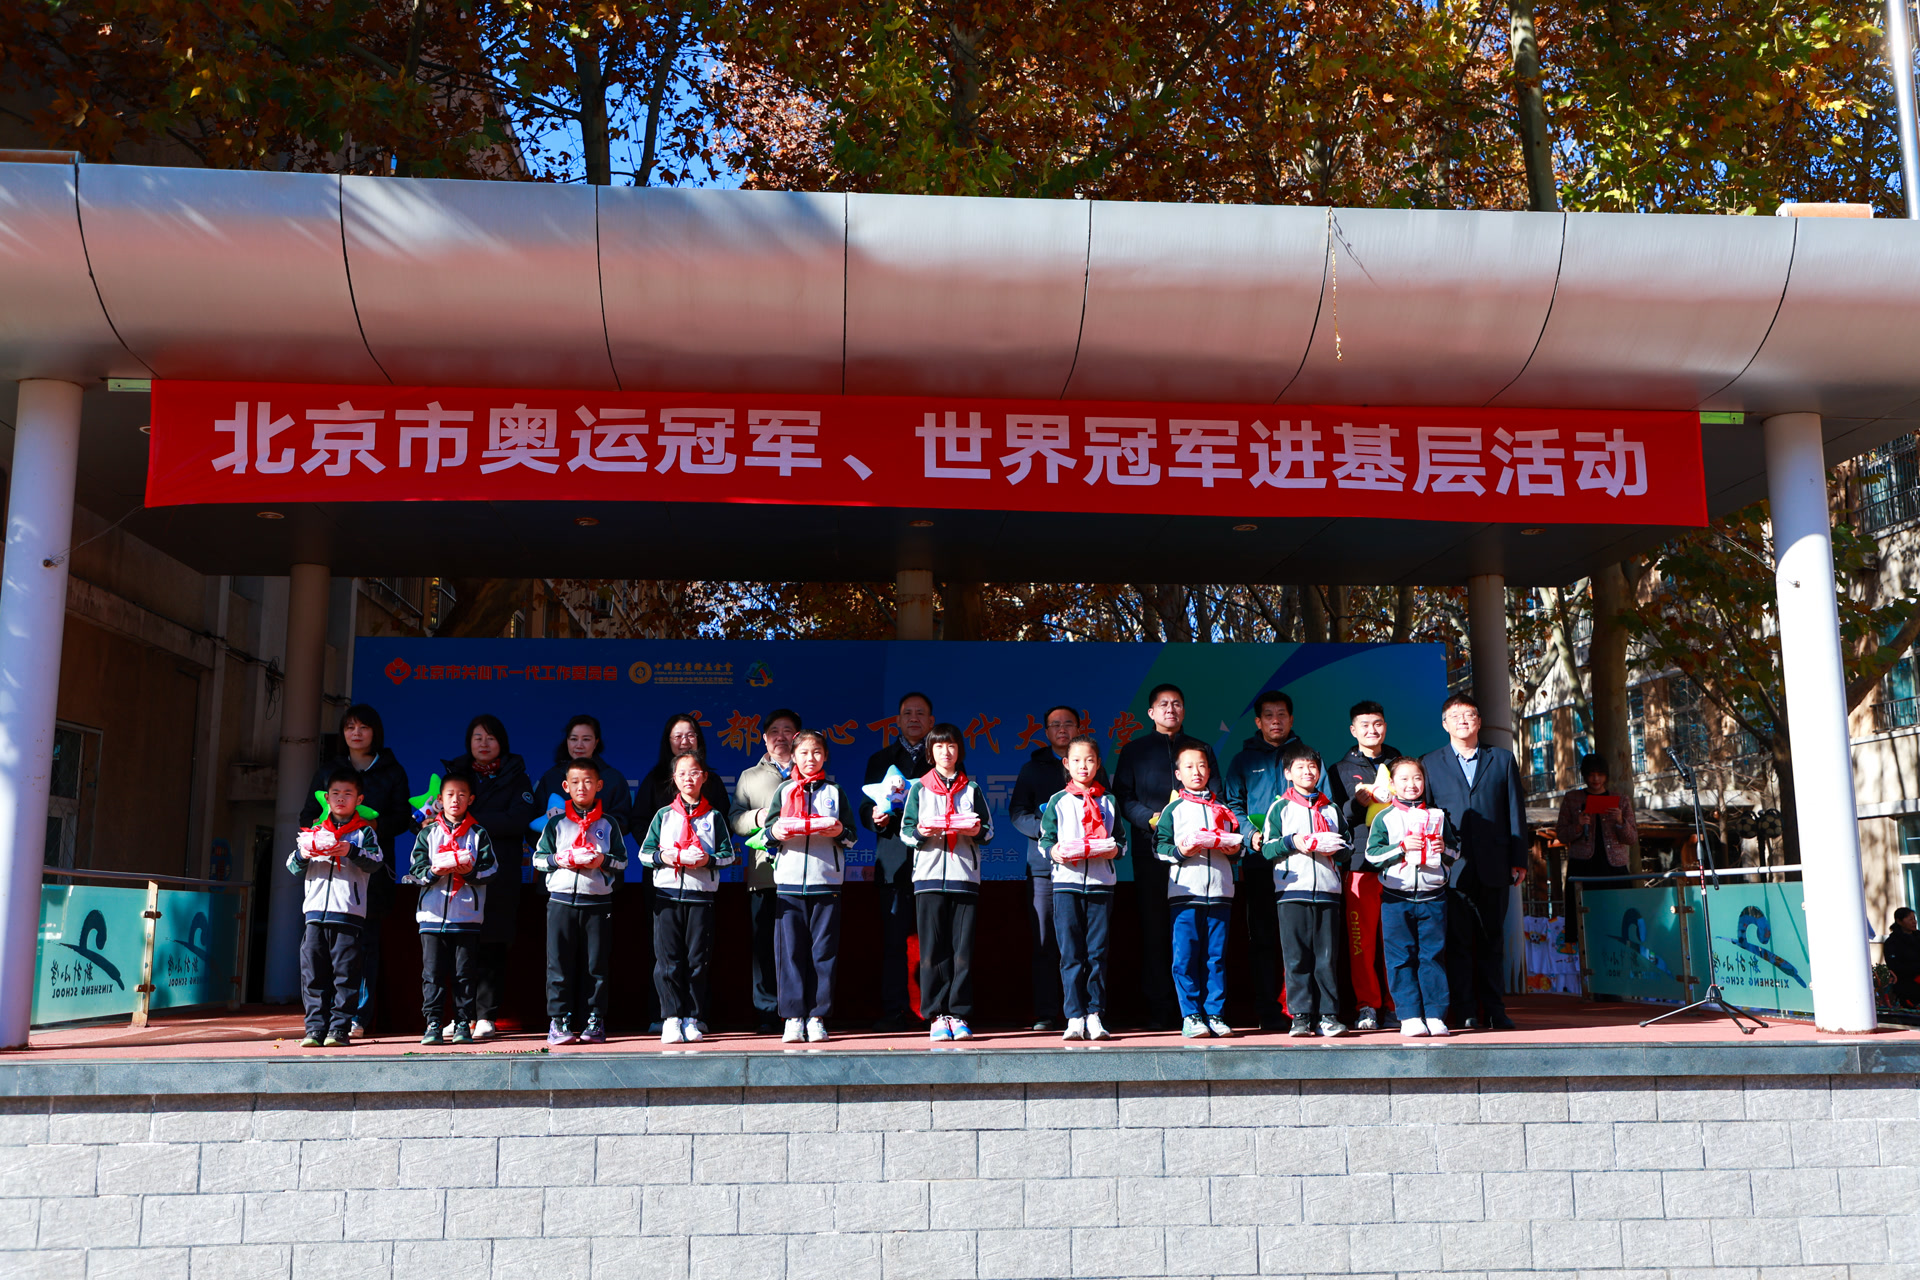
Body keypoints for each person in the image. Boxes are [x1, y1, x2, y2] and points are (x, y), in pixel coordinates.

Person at [297, 704, 410, 1038]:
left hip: (369, 872)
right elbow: (307, 815)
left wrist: (370, 826)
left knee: (365, 946)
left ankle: (357, 1018)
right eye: (349, 727)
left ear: (375, 732)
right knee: (318, 954)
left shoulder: (392, 771)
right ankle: (321, 1023)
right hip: (324, 880)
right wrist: (318, 836)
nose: (356, 733)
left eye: (363, 727)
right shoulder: (329, 770)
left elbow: (402, 818)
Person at [1114, 684, 1220, 1030]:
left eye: (1176, 703)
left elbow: (1217, 794)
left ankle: (1200, 1009)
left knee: (1197, 933)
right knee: (1156, 931)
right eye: (1163, 704)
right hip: (1152, 853)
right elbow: (1123, 797)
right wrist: (1151, 818)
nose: (1170, 709)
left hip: (1198, 856)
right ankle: (1160, 1009)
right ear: (1151, 713)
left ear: (1184, 710)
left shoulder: (1201, 750)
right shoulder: (1134, 750)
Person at [1421, 693, 1529, 1031]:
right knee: (1457, 943)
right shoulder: (1430, 763)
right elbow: (1426, 814)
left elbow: (1515, 810)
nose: (1463, 721)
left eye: (1469, 715)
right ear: (1444, 724)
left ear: (1480, 721)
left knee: (1492, 941)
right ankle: (1465, 1009)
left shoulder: (1502, 759)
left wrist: (1518, 858)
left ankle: (1495, 1009)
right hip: (1452, 868)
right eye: (1455, 716)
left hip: (1495, 864)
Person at [1009, 704, 1106, 1032]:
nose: (1062, 729)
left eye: (1068, 724)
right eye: (1055, 725)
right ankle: (1048, 1011)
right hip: (1044, 869)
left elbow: (1107, 812)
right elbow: (1018, 813)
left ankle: (1090, 1011)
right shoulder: (1032, 769)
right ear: (1046, 732)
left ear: (1079, 728)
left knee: (1089, 944)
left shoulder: (1095, 768)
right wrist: (1050, 830)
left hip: (1089, 869)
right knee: (1047, 941)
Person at [440, 715, 536, 1039]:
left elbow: (517, 821)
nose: (483, 743)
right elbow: (440, 816)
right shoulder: (456, 775)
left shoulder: (517, 777)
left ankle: (486, 1015)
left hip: (500, 873)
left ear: (501, 743)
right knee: (460, 948)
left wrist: (471, 818)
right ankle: (461, 1015)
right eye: (477, 737)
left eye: (490, 738)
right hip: (457, 875)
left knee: (493, 945)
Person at [1223, 690, 1311, 1032]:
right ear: (1258, 722)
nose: (1276, 721)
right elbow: (1233, 805)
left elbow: (1322, 800)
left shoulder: (1305, 756)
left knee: (1301, 940)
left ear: (1292, 719)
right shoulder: (1242, 761)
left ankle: (1302, 1010)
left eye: (1282, 714)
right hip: (1260, 863)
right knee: (1262, 939)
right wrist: (1250, 835)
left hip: (1301, 863)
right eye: (1269, 715)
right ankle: (1268, 1011)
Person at [902, 723, 992, 1042]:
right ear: (930, 752)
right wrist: (922, 831)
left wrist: (974, 830)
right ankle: (937, 1015)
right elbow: (906, 832)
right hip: (928, 877)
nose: (946, 752)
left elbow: (988, 831)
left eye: (951, 745)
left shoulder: (972, 789)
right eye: (939, 746)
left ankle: (959, 1013)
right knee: (931, 951)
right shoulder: (919, 789)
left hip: (964, 877)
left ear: (959, 750)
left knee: (961, 951)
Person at [766, 730, 858, 1043]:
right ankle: (793, 1017)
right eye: (804, 753)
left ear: (825, 756)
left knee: (823, 952)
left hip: (826, 882)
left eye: (816, 752)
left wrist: (838, 831)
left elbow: (851, 837)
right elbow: (767, 834)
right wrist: (776, 833)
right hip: (789, 884)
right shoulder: (784, 790)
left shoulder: (835, 792)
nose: (810, 758)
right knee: (790, 953)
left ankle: (817, 1016)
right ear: (793, 756)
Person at [638, 752, 736, 1044]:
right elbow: (644, 854)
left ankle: (692, 1018)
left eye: (694, 773)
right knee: (668, 961)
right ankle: (671, 1018)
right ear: (674, 779)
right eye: (682, 774)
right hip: (667, 897)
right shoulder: (663, 815)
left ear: (704, 777)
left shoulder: (714, 817)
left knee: (697, 960)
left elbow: (728, 855)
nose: (688, 778)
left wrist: (707, 860)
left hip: (701, 897)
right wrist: (664, 857)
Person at [532, 758, 628, 1047]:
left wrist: (602, 860)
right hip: (560, 901)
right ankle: (558, 1020)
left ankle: (594, 1019)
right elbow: (538, 859)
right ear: (566, 786)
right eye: (575, 782)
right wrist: (560, 859)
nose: (581, 787)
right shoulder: (556, 823)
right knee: (558, 964)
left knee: (596, 965)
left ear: (599, 785)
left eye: (588, 781)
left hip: (597, 903)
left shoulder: (608, 824)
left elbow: (623, 861)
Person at [288, 768, 385, 1048]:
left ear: (359, 799)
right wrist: (304, 853)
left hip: (348, 913)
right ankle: (314, 1028)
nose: (341, 798)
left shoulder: (364, 833)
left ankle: (340, 1028)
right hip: (315, 913)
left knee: (346, 973)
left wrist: (350, 851)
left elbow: (376, 862)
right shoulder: (314, 831)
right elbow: (291, 866)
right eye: (335, 793)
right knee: (313, 973)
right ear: (327, 799)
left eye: (348, 793)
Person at [1364, 756, 1460, 1038]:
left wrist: (1443, 848)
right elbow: (1372, 855)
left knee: (1433, 957)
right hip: (1397, 897)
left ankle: (1435, 1015)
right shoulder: (1384, 817)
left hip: (1433, 896)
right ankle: (1409, 1015)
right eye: (1404, 779)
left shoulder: (1437, 816)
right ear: (1393, 785)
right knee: (1400, 958)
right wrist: (1401, 847)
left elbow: (1455, 852)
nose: (1412, 784)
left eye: (1417, 778)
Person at [1039, 734, 1127, 1041]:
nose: (1083, 766)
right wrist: (1055, 852)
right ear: (1066, 763)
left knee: (1097, 952)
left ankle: (1095, 1014)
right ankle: (1074, 1016)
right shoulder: (1058, 801)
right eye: (1076, 760)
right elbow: (1046, 840)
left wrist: (1113, 850)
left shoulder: (1109, 801)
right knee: (1070, 953)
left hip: (1102, 885)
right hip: (1067, 885)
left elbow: (1122, 842)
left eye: (1089, 760)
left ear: (1099, 763)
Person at [860, 691, 937, 1032]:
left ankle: (932, 1010)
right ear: (898, 720)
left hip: (933, 860)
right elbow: (865, 805)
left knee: (932, 942)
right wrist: (873, 817)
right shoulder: (881, 760)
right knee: (893, 943)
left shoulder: (942, 758)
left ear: (931, 721)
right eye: (908, 713)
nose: (914, 719)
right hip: (893, 862)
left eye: (921, 713)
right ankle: (894, 1011)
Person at [1261, 745, 1351, 1037]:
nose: (1307, 772)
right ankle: (1300, 1016)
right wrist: (1293, 842)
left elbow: (1348, 847)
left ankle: (1328, 1015)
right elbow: (1267, 848)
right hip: (1292, 890)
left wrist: (1334, 848)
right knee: (1296, 957)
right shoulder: (1280, 807)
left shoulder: (1331, 808)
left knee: (1326, 957)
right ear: (1288, 773)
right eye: (1300, 767)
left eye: (1312, 767)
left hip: (1328, 890)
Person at [1325, 700, 1403, 1032]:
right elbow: (1335, 817)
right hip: (1360, 865)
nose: (1373, 730)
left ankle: (1399, 1005)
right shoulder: (1339, 770)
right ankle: (1367, 1005)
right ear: (1353, 730)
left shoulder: (1400, 763)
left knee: (1397, 940)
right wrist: (1357, 803)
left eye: (1378, 723)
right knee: (1362, 944)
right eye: (1365, 725)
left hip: (1400, 863)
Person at [1156, 744, 1242, 1038]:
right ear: (1178, 774)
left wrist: (1233, 850)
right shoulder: (1173, 809)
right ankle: (1191, 1015)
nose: (1197, 772)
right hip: (1185, 893)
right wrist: (1182, 851)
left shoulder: (1223, 809)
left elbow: (1237, 847)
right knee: (1185, 956)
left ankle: (1215, 1014)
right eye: (1189, 767)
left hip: (1220, 892)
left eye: (1202, 766)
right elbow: (1160, 848)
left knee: (1215, 957)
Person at [409, 772, 497, 1045]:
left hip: (466, 916)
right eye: (450, 795)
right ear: (440, 799)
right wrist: (433, 871)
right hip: (432, 916)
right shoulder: (428, 833)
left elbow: (491, 869)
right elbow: (415, 870)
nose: (455, 800)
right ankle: (433, 1023)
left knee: (464, 974)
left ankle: (463, 1022)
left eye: (461, 795)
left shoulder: (478, 833)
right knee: (432, 974)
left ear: (471, 799)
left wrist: (469, 872)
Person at [730, 708, 803, 1034]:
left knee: (798, 945)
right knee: (764, 946)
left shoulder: (811, 773)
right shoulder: (750, 776)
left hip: (803, 873)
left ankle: (798, 1009)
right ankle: (767, 1012)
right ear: (763, 738)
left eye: (787, 731)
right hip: (764, 874)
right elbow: (734, 820)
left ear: (797, 737)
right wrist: (758, 817)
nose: (780, 737)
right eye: (774, 731)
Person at [1553, 753, 1638, 944]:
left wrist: (1620, 821)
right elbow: (1561, 834)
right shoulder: (1572, 799)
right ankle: (1585, 955)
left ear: (1606, 776)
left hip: (1614, 867)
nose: (1596, 779)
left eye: (1600, 774)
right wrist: (1578, 826)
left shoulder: (1620, 799)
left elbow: (1632, 838)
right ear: (1584, 775)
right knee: (1585, 919)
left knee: (1617, 917)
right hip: (1583, 866)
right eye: (1591, 774)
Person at [533, 714, 633, 830]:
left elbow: (622, 822)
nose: (579, 745)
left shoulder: (613, 778)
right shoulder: (551, 777)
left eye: (586, 739)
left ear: (596, 742)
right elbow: (535, 820)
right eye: (574, 739)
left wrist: (591, 828)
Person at [1885, 908, 1920, 1008]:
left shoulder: (1918, 937)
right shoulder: (1892, 942)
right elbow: (1894, 966)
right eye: (1910, 919)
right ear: (1899, 921)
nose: (1914, 922)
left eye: (1914, 919)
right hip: (1907, 985)